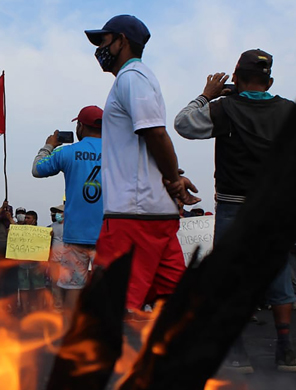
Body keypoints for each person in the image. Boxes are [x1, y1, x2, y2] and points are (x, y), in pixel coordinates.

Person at [174, 49, 296, 372]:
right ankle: (285, 350)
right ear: (269, 80)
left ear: (236, 78)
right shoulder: (289, 111)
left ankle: (238, 352)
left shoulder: (224, 108)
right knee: (279, 274)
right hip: (274, 206)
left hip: (232, 205)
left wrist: (206, 96)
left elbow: (183, 125)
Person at [85, 16, 199, 316]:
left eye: (104, 41)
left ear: (122, 40)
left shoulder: (131, 77)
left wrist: (173, 179)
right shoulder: (137, 79)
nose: (100, 48)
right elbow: (149, 143)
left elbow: (155, 133)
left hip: (131, 216)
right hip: (156, 216)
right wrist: (172, 178)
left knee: (109, 311)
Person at [32, 105, 105, 313]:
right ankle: (104, 338)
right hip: (108, 236)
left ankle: (69, 339)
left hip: (76, 237)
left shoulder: (67, 152)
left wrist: (48, 146)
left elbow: (37, 169)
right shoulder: (117, 152)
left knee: (73, 291)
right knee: (108, 291)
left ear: (80, 126)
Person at [17, 210, 48, 312]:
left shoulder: (40, 233)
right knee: (23, 289)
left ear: (34, 220)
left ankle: (40, 310)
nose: (26, 220)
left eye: (28, 218)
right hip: (23, 265)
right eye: (25, 218)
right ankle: (25, 310)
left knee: (39, 288)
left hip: (36, 264)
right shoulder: (19, 231)